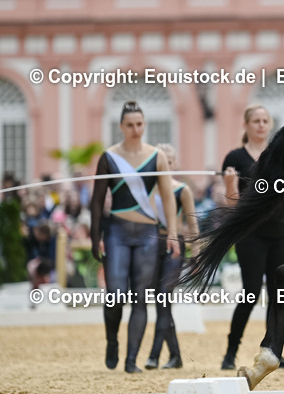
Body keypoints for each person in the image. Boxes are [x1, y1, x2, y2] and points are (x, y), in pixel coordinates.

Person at [89, 101, 180, 373]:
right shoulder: (109, 157)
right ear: (121, 127)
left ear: (144, 125)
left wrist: (173, 234)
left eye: (139, 124)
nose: (135, 129)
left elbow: (167, 197)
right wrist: (95, 238)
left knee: (140, 298)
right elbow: (96, 202)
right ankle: (112, 340)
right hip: (117, 232)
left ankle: (131, 361)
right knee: (116, 296)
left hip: (148, 235)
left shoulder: (157, 157)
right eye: (130, 125)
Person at [220, 104, 284, 371]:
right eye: (256, 120)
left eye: (265, 120)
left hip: (279, 232)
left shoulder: (281, 154)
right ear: (247, 125)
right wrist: (230, 184)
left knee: (279, 296)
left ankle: (273, 351)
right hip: (250, 235)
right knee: (250, 294)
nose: (261, 125)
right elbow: (232, 206)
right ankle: (230, 353)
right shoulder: (235, 158)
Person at [145, 144, 199, 370]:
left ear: (175, 164)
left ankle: (154, 356)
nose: (166, 164)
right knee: (161, 303)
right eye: (161, 160)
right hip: (150, 247)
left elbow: (192, 223)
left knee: (164, 297)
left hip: (174, 246)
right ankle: (175, 355)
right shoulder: (146, 190)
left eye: (170, 160)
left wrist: (196, 255)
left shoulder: (182, 190)